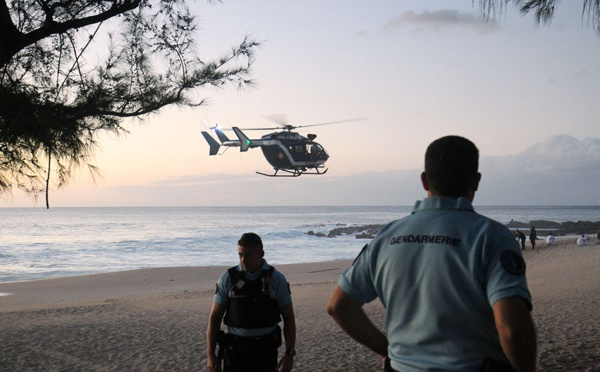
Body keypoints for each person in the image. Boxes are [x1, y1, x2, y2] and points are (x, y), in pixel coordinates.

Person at [327, 136, 537, 372]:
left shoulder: (386, 237)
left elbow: (339, 306)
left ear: (425, 180)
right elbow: (511, 327)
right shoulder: (492, 236)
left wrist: (385, 350)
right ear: (476, 181)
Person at [207, 233, 296, 372]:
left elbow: (289, 317)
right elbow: (215, 317)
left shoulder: (276, 279)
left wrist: (289, 354)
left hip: (265, 350)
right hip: (235, 350)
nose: (243, 260)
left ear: (261, 253)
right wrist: (210, 354)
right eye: (240, 255)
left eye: (248, 255)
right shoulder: (227, 279)